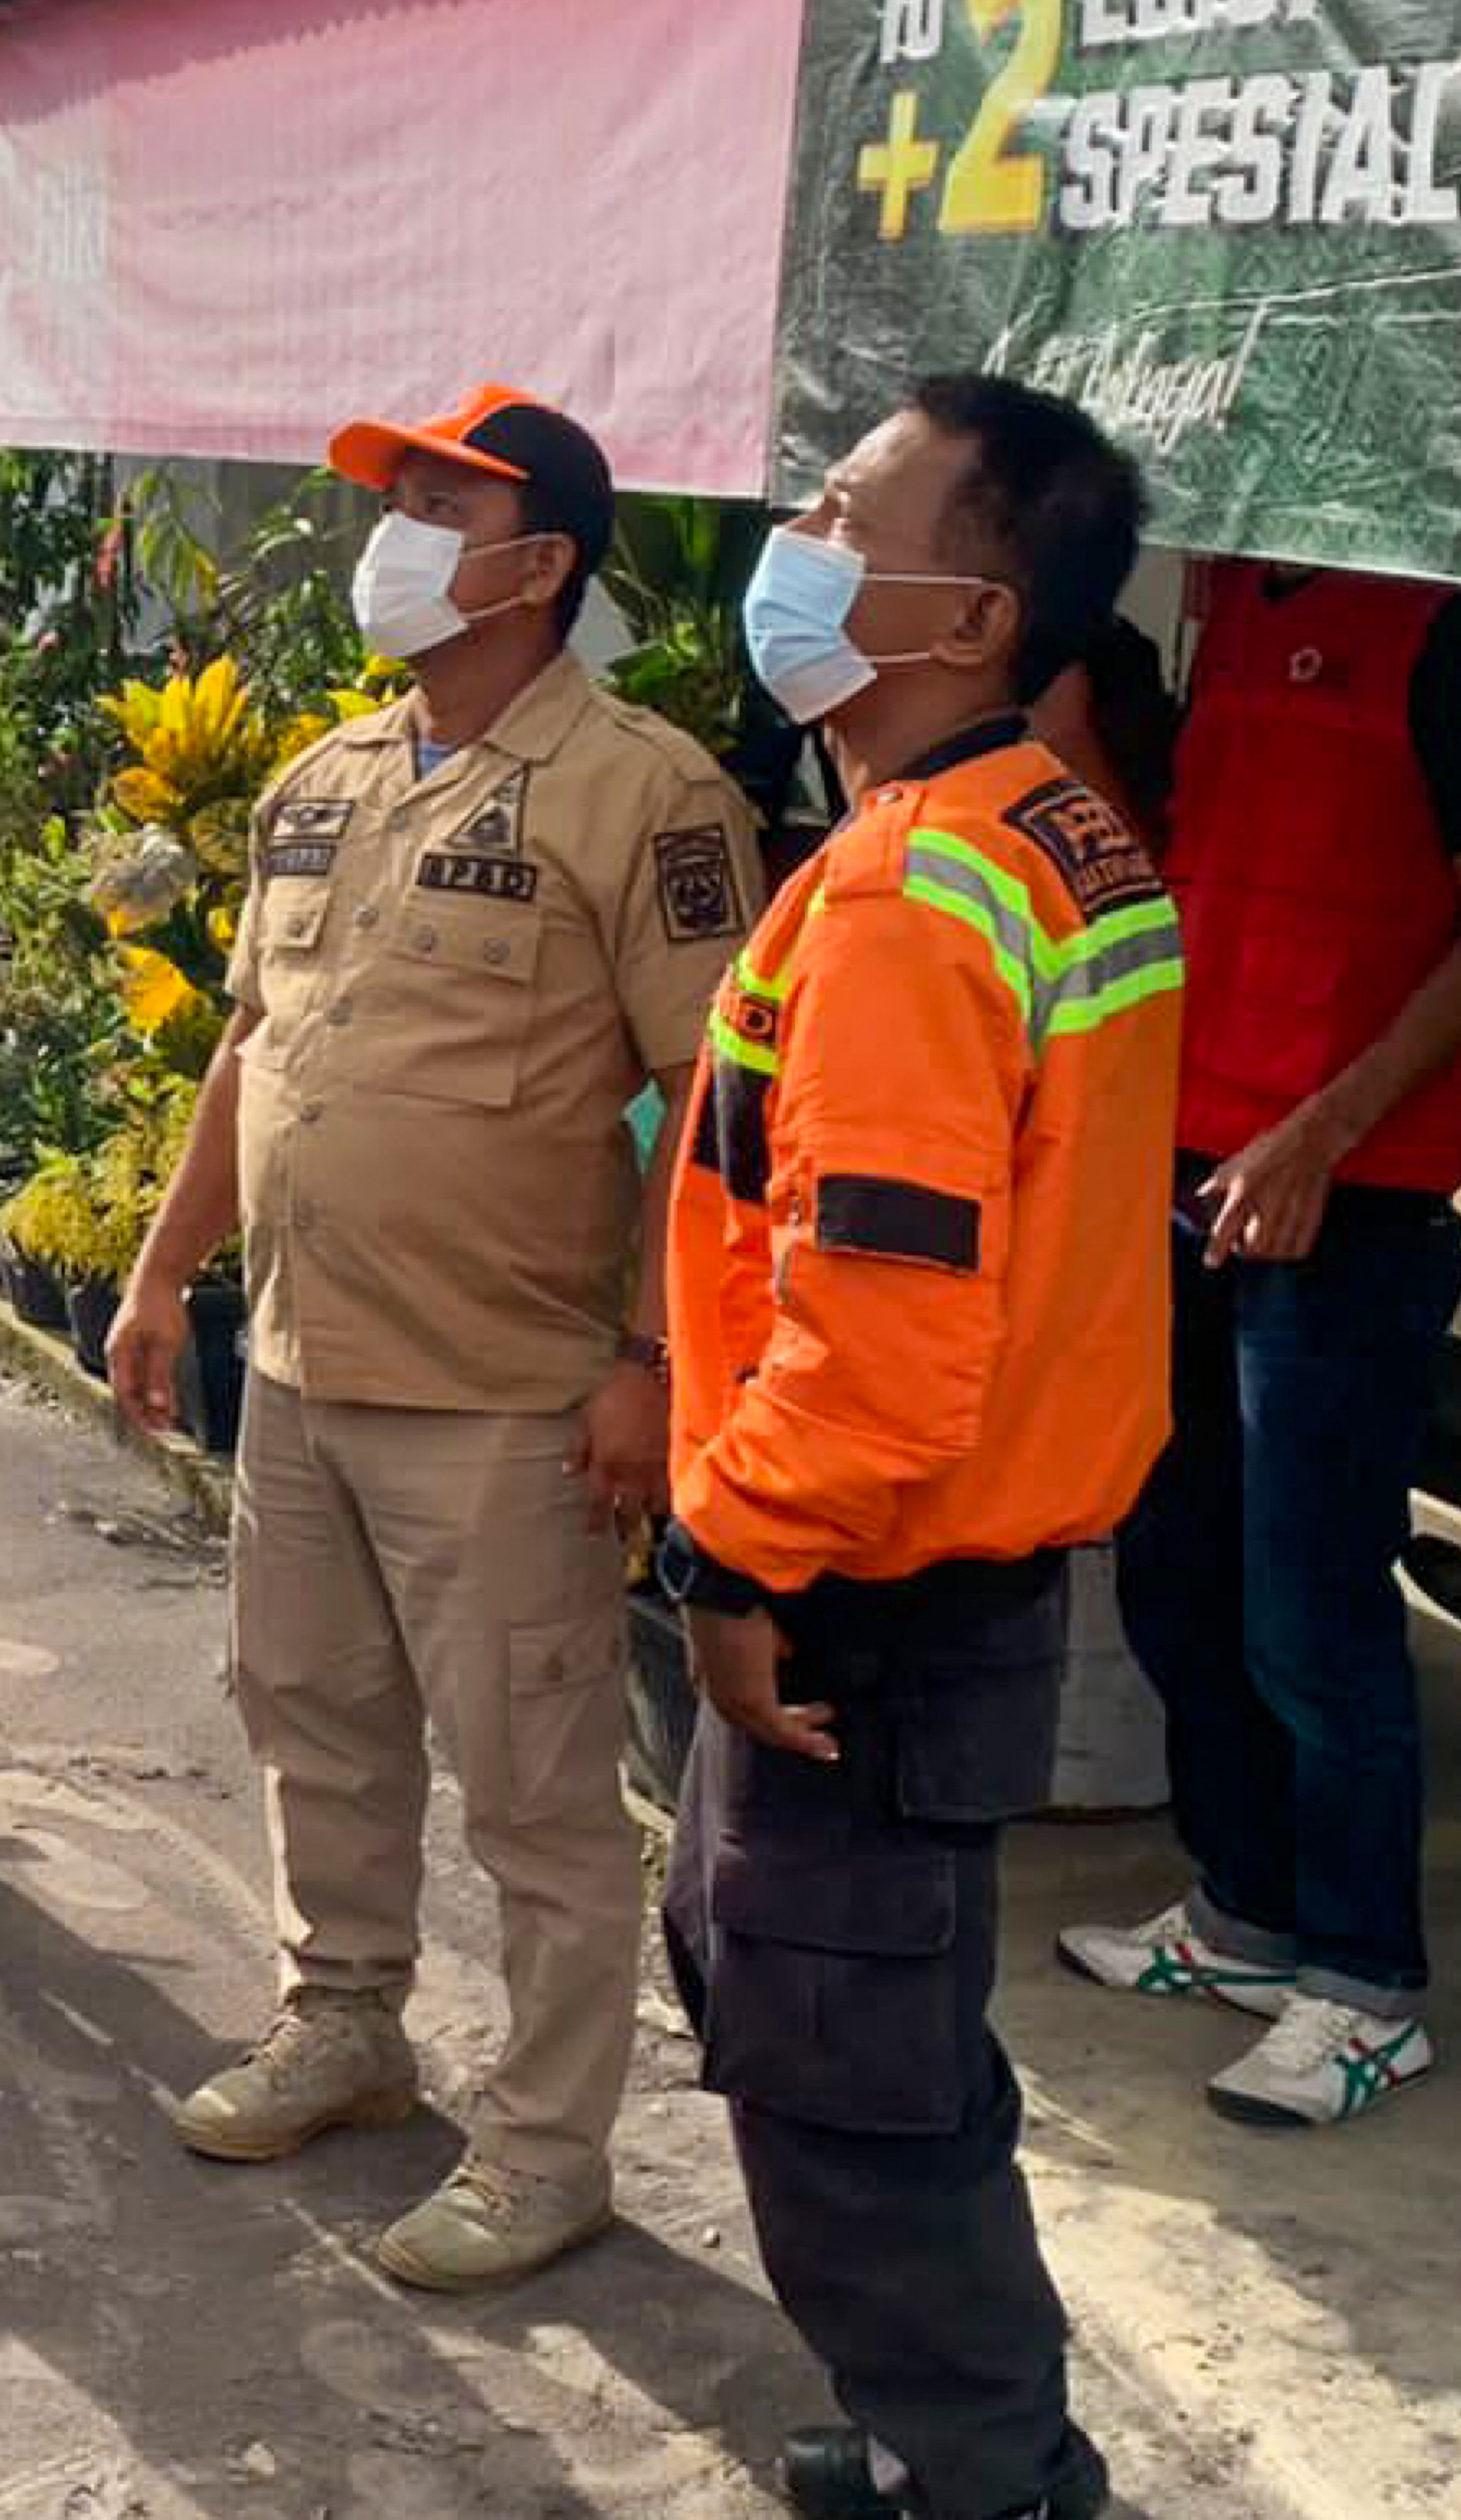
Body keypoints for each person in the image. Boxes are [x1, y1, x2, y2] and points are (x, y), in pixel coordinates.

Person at [107, 386, 766, 2292]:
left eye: (431, 505)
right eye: (387, 500)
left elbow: (703, 1104)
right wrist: (162, 1277)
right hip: (304, 1372)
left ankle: (546, 2144)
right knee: (311, 1723)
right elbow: (252, 1046)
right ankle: (346, 2023)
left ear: (540, 561)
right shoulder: (319, 778)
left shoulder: (641, 793)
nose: (385, 533)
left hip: (508, 1394)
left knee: (538, 1791)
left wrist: (651, 1359)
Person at [656, 373, 1172, 2520]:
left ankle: (978, 2476)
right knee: (879, 2037)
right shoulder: (1059, 834)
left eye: (843, 509)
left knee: (840, 2074)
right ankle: (946, 2441)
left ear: (966, 614)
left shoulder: (916, 896)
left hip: (861, 1590)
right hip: (954, 1575)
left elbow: (877, 1341)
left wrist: (732, 1566)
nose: (795, 534)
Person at [1056, 556, 1461, 2128]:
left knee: (1312, 1602)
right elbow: (1192, 867)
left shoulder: (1436, 617)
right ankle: (1246, 1911)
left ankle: (1366, 1987)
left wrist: (1327, 1131)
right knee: (1175, 1556)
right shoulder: (1227, 596)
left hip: (1351, 1193)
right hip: (1188, 1155)